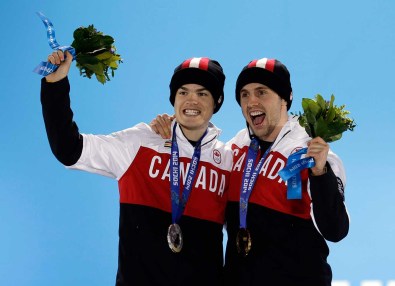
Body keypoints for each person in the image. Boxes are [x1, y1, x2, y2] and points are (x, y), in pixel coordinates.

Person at [151, 57, 349, 286]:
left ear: (285, 97)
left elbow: (335, 230)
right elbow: (194, 164)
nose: (251, 101)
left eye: (261, 92)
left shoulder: (312, 152)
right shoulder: (234, 148)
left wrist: (320, 173)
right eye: (244, 94)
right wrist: (169, 129)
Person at [40, 52, 233, 286]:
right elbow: (68, 149)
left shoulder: (229, 160)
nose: (191, 101)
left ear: (218, 101)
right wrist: (55, 84)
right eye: (183, 92)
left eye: (202, 93)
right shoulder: (139, 142)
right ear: (173, 99)